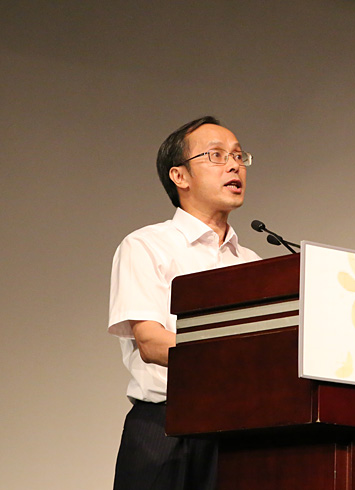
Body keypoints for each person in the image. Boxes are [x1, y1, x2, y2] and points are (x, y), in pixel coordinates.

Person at [108, 116, 260, 489]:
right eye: (217, 155)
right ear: (180, 176)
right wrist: (235, 355)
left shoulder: (252, 264)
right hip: (165, 429)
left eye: (239, 156)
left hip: (239, 432)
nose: (234, 165)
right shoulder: (147, 246)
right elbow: (151, 342)